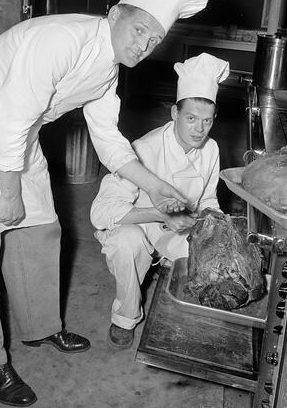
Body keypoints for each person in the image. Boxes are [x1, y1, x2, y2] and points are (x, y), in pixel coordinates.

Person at [0, 0, 209, 406]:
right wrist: (7, 188)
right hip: (1, 133)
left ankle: (38, 330)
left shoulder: (107, 70)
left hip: (20, 139)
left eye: (153, 41)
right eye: (138, 30)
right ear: (114, 14)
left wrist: (156, 185)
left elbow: (108, 139)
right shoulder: (61, 40)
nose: (143, 45)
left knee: (40, 231)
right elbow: (9, 115)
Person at [90, 53, 229, 349]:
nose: (199, 130)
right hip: (137, 225)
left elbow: (207, 198)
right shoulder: (143, 149)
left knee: (210, 259)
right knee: (127, 244)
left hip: (178, 229)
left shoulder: (211, 149)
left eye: (207, 121)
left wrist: (213, 225)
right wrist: (158, 214)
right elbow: (101, 212)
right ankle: (125, 316)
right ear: (174, 114)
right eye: (191, 118)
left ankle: (179, 298)